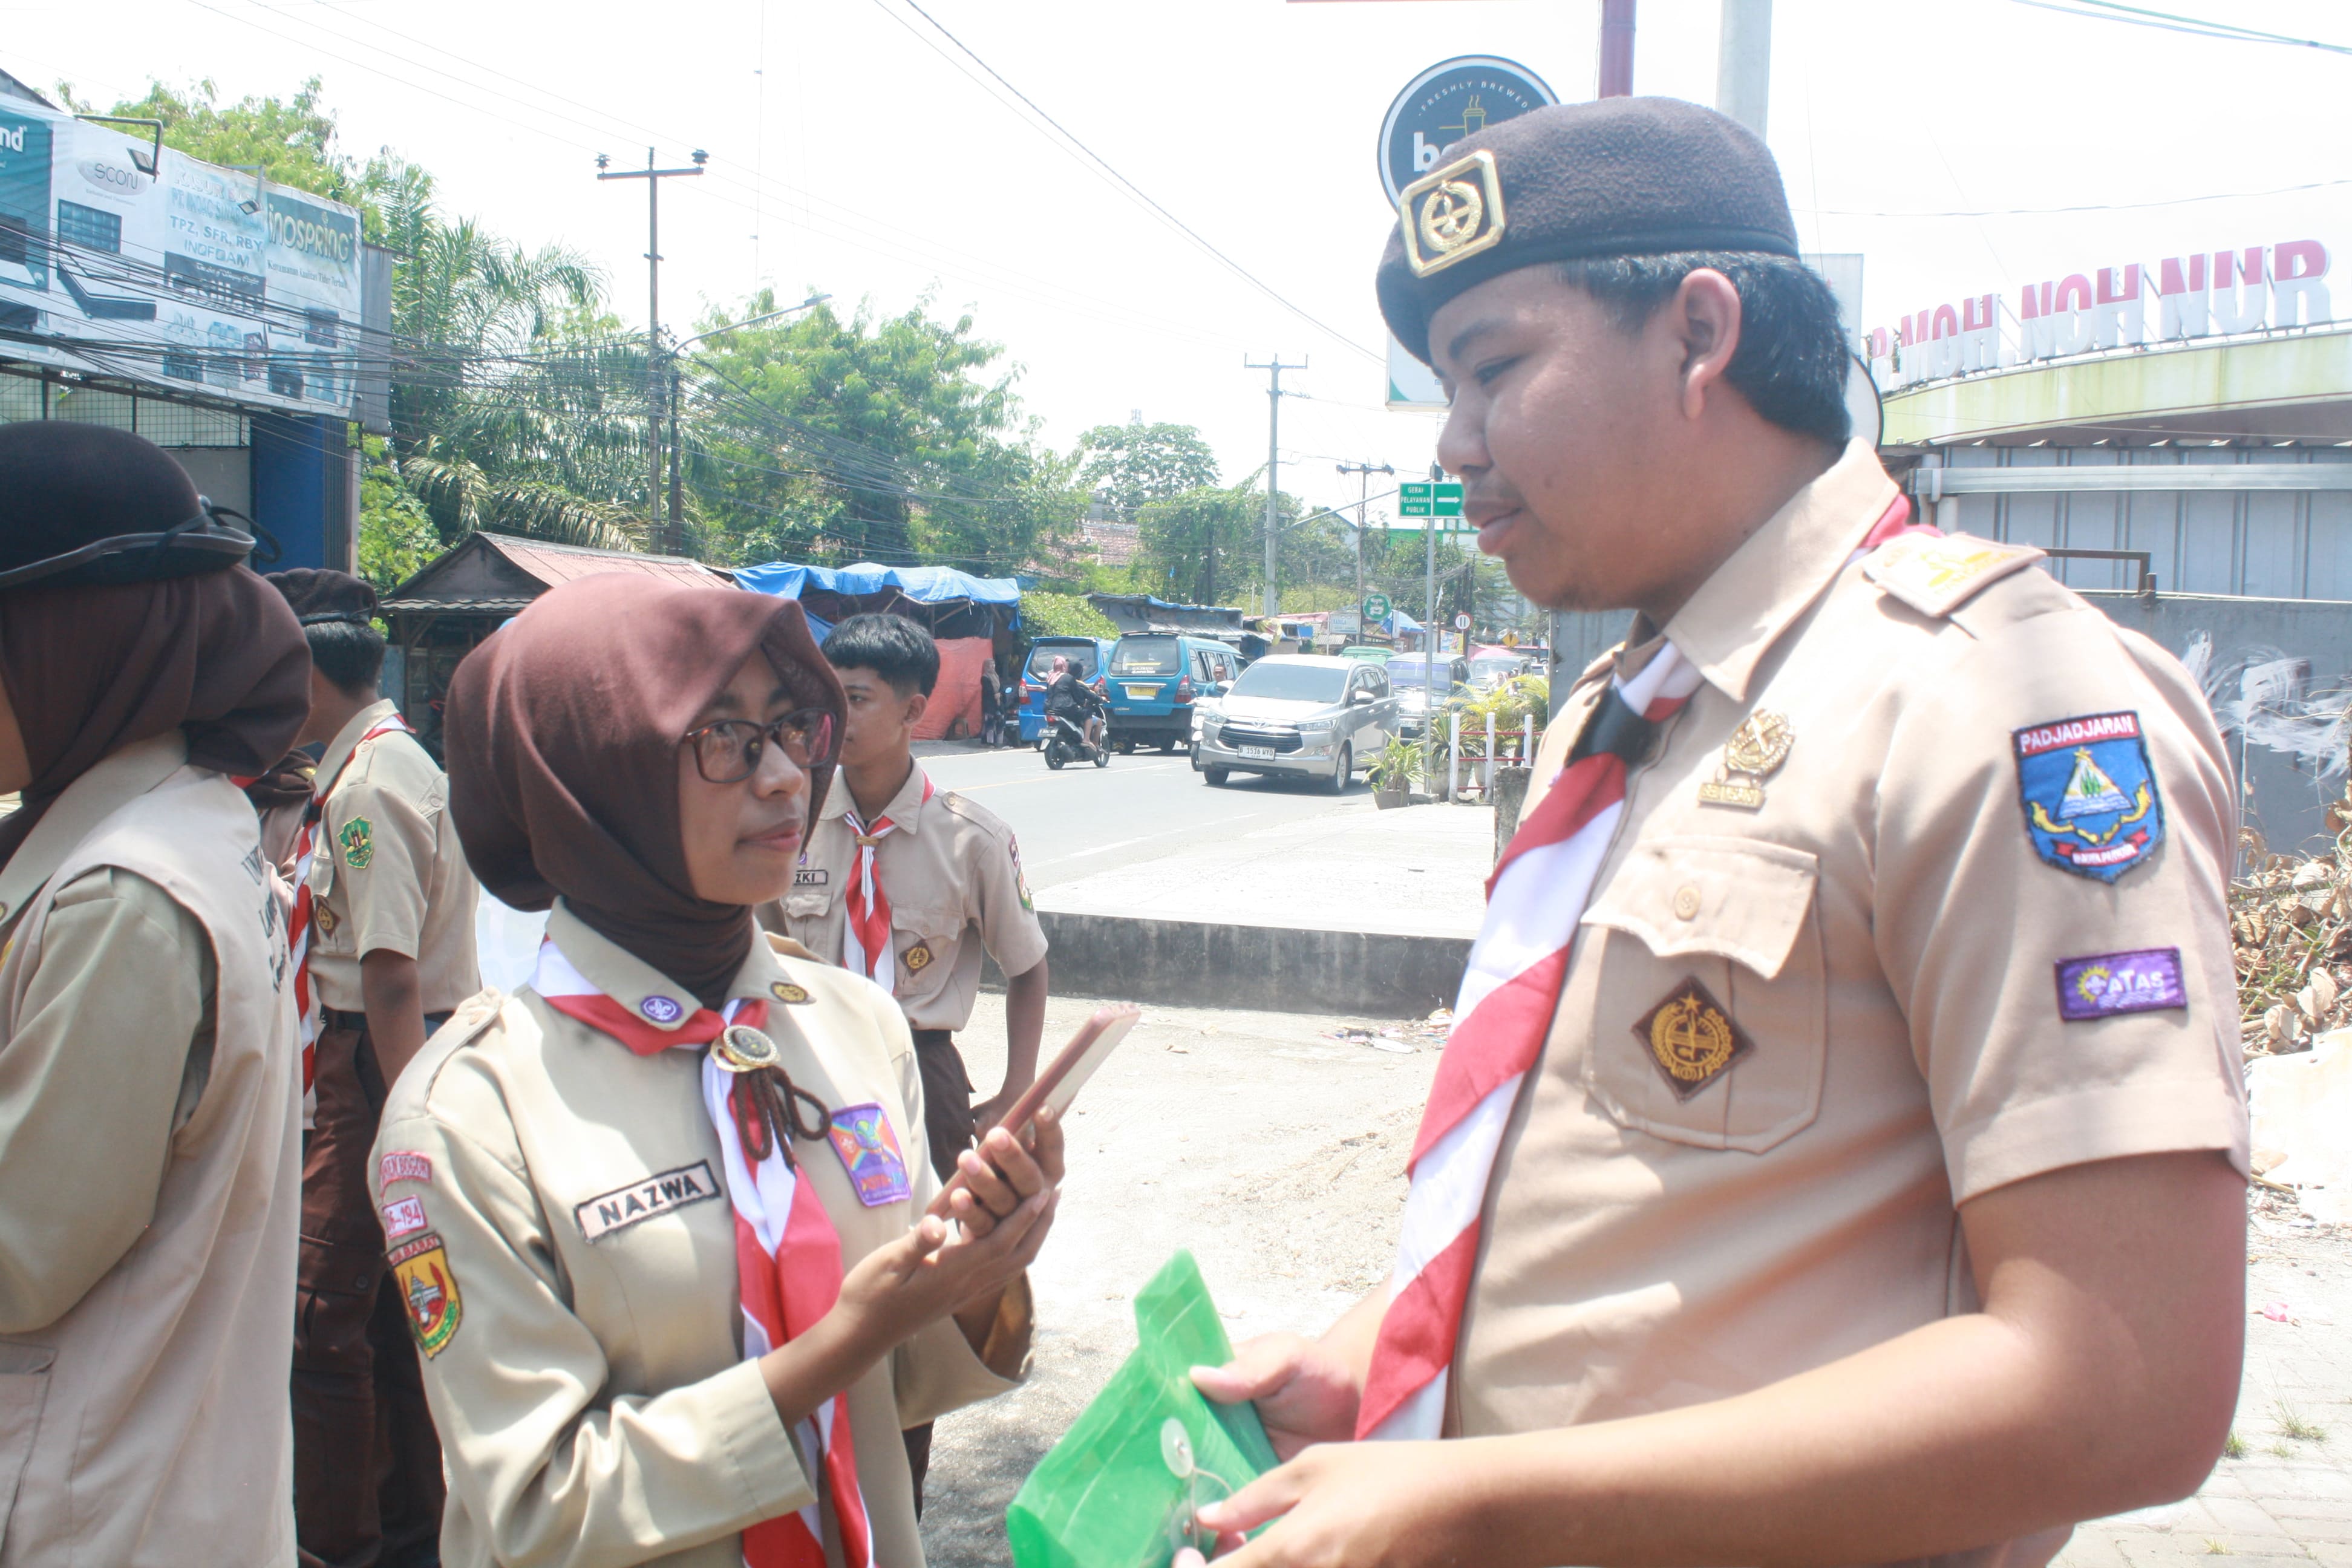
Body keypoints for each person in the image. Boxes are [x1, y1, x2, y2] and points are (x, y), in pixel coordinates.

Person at [1186, 97, 2249, 1568]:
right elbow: (1651, 1220)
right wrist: (1384, 1356)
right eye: (1446, 385)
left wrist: (1479, 1499)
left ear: (1697, 335)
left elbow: (2121, 1388)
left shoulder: (1990, 701)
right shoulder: (1619, 717)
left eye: (1495, 368)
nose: (1456, 442)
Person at [374, 575, 1058, 1567]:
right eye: (725, 737)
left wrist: (982, 1270)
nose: (785, 775)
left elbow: (895, 1383)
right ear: (593, 774)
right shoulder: (468, 1113)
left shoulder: (854, 1024)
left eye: (790, 727)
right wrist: (831, 1347)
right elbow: (534, 1507)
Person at [0, 422, 310, 1565]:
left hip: (90, 1500)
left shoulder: (123, 894)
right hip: (165, 1471)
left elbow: (23, 1250)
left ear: (68, 646)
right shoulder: (187, 818)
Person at [768, 610, 1052, 1506]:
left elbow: (1029, 964)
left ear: (914, 709)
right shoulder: (791, 818)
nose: (834, 720)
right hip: (801, 1063)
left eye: (855, 700)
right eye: (826, 699)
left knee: (915, 1279)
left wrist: (1013, 1088)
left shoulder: (968, 836)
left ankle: (901, 1492)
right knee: (799, 1267)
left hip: (919, 1071)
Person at [269, 567, 480, 1568]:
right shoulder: (376, 767)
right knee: (397, 1316)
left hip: (380, 1057)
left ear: (312, 681)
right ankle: (411, 1532)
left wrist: (409, 1128)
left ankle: (342, 1541)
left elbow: (390, 976)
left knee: (325, 1314)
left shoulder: (368, 788)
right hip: (377, 1050)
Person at [1042, 654, 1106, 751]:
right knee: (1087, 713)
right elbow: (1077, 696)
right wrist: (1082, 703)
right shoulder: (1068, 678)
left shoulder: (1050, 678)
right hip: (1066, 707)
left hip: (1050, 708)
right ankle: (1086, 740)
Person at [978, 655, 1005, 748]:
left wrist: (1000, 694)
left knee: (1001, 722)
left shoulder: (996, 676)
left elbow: (1002, 688)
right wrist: (995, 695)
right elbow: (987, 691)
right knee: (990, 723)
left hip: (998, 703)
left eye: (994, 664)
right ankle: (990, 743)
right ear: (986, 666)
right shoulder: (985, 677)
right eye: (991, 665)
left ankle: (999, 742)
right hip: (990, 704)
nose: (993, 666)